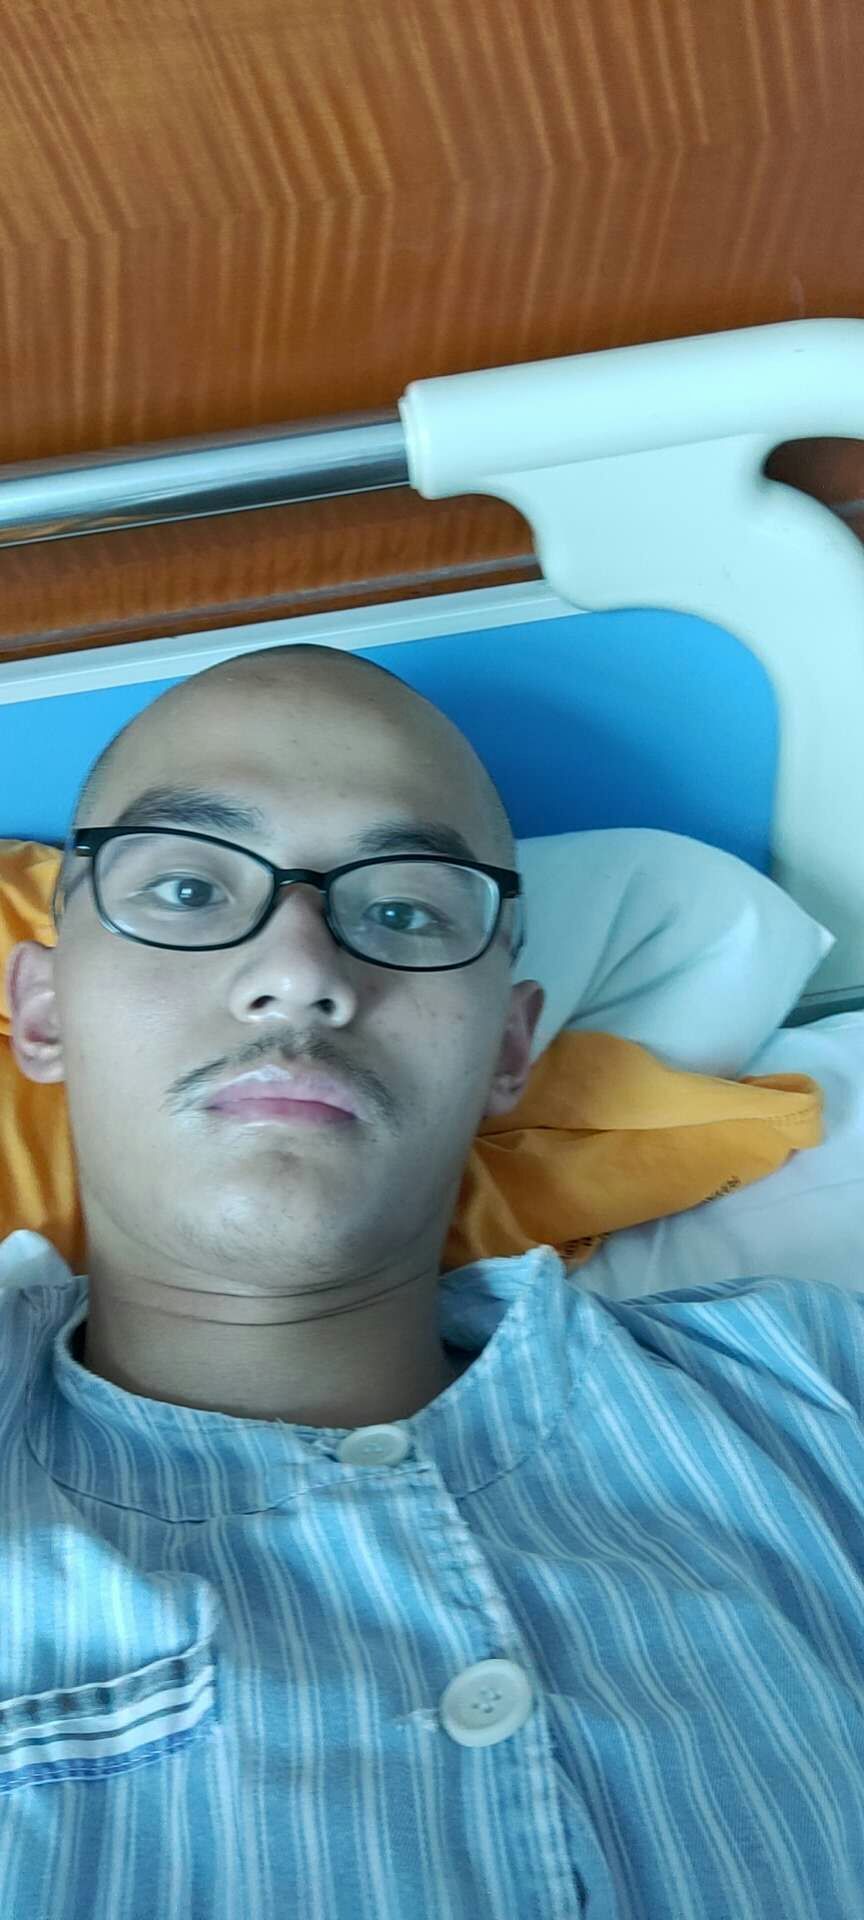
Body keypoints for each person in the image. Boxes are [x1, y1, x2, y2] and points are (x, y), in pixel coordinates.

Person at [3, 640, 864, 1920]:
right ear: (44, 1011)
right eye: (187, 887)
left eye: (403, 911)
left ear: (511, 1048)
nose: (301, 972)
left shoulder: (816, 1398)